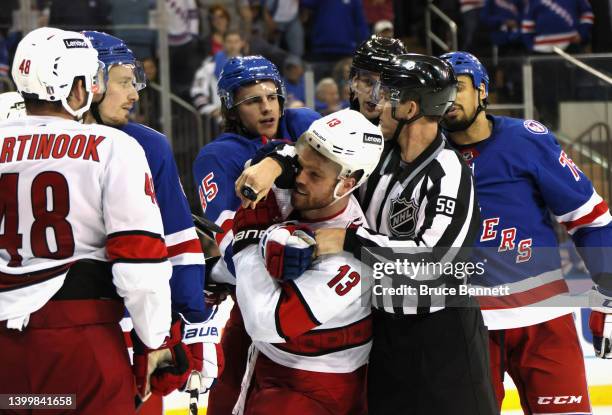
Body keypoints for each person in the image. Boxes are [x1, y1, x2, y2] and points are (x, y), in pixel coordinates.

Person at [235, 53, 498, 415]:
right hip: (384, 340)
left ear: (409, 107)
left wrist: (346, 241)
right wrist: (273, 161)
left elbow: (435, 266)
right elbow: (312, 157)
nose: (377, 102)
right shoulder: (377, 155)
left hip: (441, 341)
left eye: (388, 96)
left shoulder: (449, 173)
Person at [0, 27, 173, 414]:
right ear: (75, 88)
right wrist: (155, 339)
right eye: (90, 80)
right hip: (78, 344)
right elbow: (139, 260)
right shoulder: (114, 146)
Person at [440, 50, 612, 414]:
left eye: (459, 87)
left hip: (544, 317)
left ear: (483, 90)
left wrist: (608, 296)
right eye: (441, 90)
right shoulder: (426, 153)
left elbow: (591, 220)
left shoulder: (527, 140)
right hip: (463, 324)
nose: (449, 98)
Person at [83, 30, 222, 407]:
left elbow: (179, 244)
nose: (135, 94)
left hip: (129, 327)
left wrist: (195, 327)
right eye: (125, 82)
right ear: (88, 81)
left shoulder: (148, 145)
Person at [232, 109, 384, 414]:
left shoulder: (351, 259)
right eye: (300, 165)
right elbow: (275, 157)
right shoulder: (303, 191)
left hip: (314, 388)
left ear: (347, 183)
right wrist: (274, 162)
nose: (299, 178)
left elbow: (266, 323)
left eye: (315, 175)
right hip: (269, 370)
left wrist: (248, 242)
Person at [192, 55, 320, 415]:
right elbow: (232, 246)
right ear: (233, 109)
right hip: (265, 293)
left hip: (330, 283)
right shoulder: (218, 156)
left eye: (271, 96)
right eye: (253, 101)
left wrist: (280, 159)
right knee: (231, 389)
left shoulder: (304, 121)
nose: (267, 107)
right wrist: (224, 271)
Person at [348, 35, 406, 126]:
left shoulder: (406, 137)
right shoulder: (333, 130)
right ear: (355, 81)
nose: (374, 95)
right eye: (368, 82)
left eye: (384, 86)